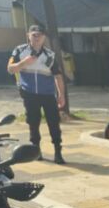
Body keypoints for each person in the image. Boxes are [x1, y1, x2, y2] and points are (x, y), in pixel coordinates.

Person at [7, 24, 66, 164]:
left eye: (40, 35)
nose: (37, 38)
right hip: (29, 94)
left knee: (54, 123)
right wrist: (23, 63)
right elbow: (10, 69)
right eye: (34, 35)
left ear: (44, 38)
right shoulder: (20, 51)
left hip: (48, 94)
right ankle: (36, 151)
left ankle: (58, 152)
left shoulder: (50, 55)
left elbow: (58, 76)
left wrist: (61, 95)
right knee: (33, 123)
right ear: (28, 35)